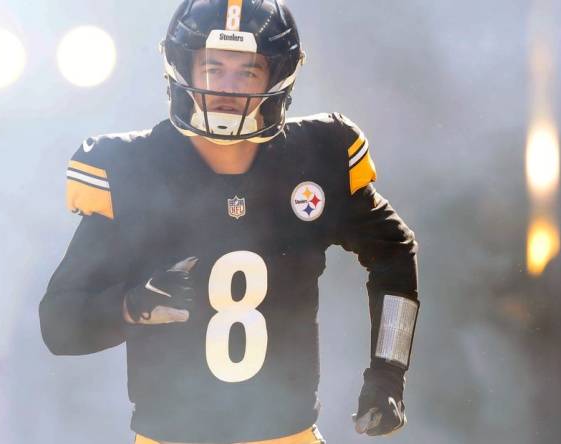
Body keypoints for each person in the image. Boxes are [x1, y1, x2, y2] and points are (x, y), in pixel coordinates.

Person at [39, 1, 420, 443]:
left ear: (278, 76)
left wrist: (388, 373)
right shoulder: (131, 170)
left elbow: (394, 252)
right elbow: (58, 323)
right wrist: (129, 306)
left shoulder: (317, 157)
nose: (228, 88)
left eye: (247, 72)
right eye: (213, 68)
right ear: (183, 68)